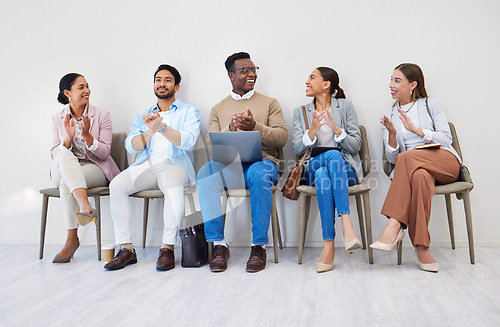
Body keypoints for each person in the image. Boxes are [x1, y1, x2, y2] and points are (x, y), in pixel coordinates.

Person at [197, 52, 288, 273]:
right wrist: (232, 129)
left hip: (264, 163)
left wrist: (255, 126)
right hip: (231, 167)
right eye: (245, 70)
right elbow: (210, 145)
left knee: (258, 173)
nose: (251, 74)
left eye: (254, 69)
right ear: (231, 75)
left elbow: (282, 138)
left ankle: (259, 246)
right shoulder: (218, 108)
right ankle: (219, 245)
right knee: (205, 173)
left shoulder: (270, 103)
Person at [104, 64, 200, 271]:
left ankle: (167, 248)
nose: (162, 84)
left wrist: (163, 128)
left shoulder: (189, 112)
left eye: (167, 80)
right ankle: (126, 248)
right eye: (158, 80)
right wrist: (149, 132)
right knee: (117, 185)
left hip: (175, 165)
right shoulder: (144, 114)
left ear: (177, 86)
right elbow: (131, 145)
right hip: (147, 165)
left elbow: (188, 141)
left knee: (173, 185)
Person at [370, 63, 461, 272]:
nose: (391, 85)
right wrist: (392, 134)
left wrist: (417, 131)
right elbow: (393, 158)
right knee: (418, 176)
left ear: (413, 84)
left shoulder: (432, 104)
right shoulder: (390, 114)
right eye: (391, 79)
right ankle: (422, 248)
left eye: (397, 80)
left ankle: (395, 223)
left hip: (444, 161)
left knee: (406, 158)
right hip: (414, 168)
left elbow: (446, 139)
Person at [292, 67, 363, 273]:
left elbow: (356, 145)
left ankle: (328, 245)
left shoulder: (345, 107)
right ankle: (346, 224)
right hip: (311, 166)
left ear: (326, 85)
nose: (306, 81)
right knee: (329, 158)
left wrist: (336, 129)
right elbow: (297, 148)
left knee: (326, 172)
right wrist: (313, 128)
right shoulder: (301, 112)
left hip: (344, 169)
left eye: (312, 78)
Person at [50, 73, 120, 263]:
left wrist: (88, 136)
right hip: (63, 167)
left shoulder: (102, 115)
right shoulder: (58, 118)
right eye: (81, 87)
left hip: (93, 167)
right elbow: (53, 153)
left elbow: (104, 153)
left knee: (67, 183)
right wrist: (68, 139)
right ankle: (84, 205)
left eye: (87, 86)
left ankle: (72, 239)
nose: (87, 90)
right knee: (64, 154)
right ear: (67, 93)